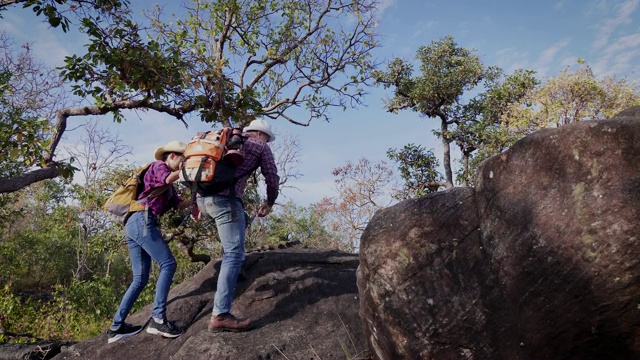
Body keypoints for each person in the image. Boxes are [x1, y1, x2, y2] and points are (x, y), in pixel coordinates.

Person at [195, 119, 280, 332]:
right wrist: (269, 202)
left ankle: (236, 269)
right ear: (261, 134)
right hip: (225, 201)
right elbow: (272, 177)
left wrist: (194, 204)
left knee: (239, 219)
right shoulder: (260, 146)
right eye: (267, 137)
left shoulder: (219, 138)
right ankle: (220, 315)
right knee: (233, 253)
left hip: (202, 199)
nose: (267, 141)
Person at [107, 140, 190, 344]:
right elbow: (168, 178)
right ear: (171, 156)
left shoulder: (169, 188)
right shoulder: (158, 166)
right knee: (168, 264)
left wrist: (195, 200)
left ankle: (116, 327)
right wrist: (189, 170)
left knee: (140, 278)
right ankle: (158, 319)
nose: (183, 163)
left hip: (136, 223)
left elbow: (178, 205)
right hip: (141, 219)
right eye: (182, 159)